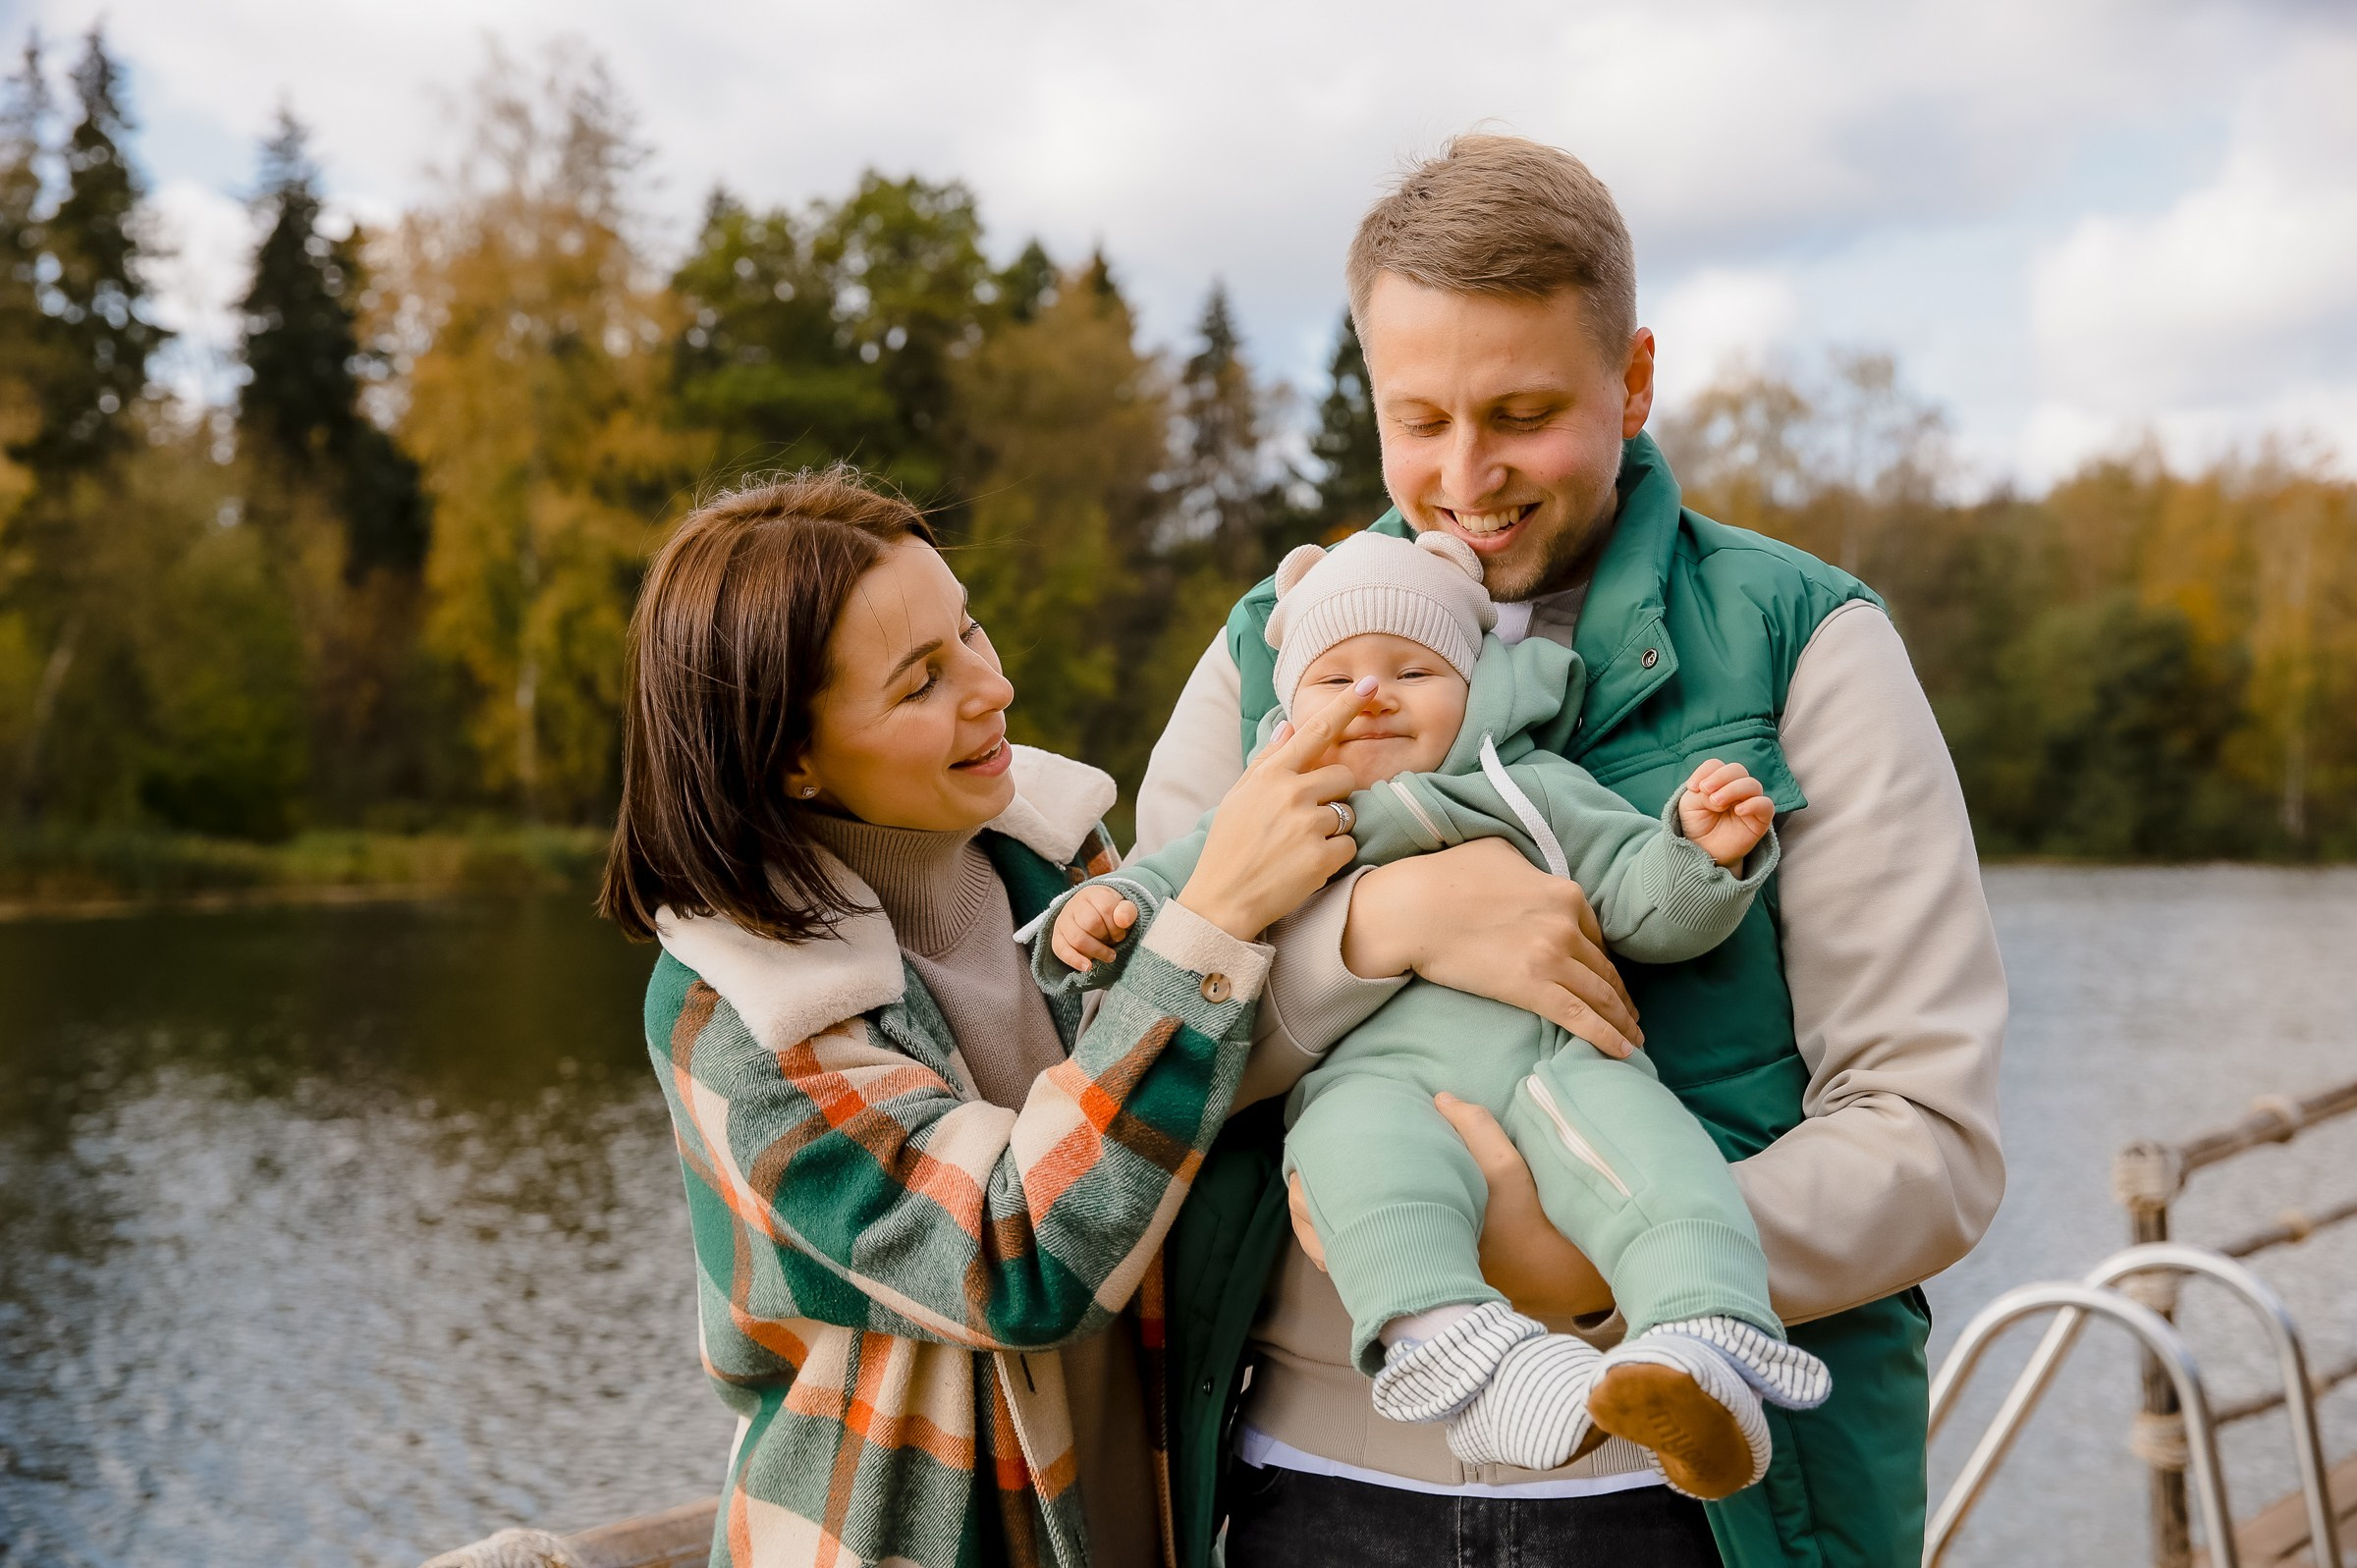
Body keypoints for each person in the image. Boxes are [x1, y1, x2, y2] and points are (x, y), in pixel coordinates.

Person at [1134, 135, 2008, 1568]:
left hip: (1707, 1508)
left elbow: (1931, 1138)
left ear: (1636, 380)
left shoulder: (1808, 642)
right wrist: (1383, 929)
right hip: (1317, 1482)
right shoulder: (1267, 656)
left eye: (1523, 413)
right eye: (1417, 420)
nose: (1464, 478)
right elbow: (1136, 1055)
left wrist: (1588, 1271)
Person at [597, 468, 1386, 1568]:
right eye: (923, 681)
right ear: (793, 755)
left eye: (970, 629)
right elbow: (1013, 1261)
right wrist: (1216, 918)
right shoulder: (739, 1012)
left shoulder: (1064, 863)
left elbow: (1197, 1101)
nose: (992, 686)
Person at [1050, 527, 1829, 1502]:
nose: (1372, 694)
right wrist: (1097, 912)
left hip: (1560, 1056)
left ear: (1473, 686)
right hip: (1370, 1074)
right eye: (1335, 680)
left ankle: (1704, 1344)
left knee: (1655, 1163)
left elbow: (1641, 901)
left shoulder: (1533, 789)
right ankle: (1461, 1353)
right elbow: (1175, 907)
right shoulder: (1270, 811)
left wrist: (1700, 853)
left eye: (1412, 669)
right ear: (1290, 709)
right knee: (1363, 1172)